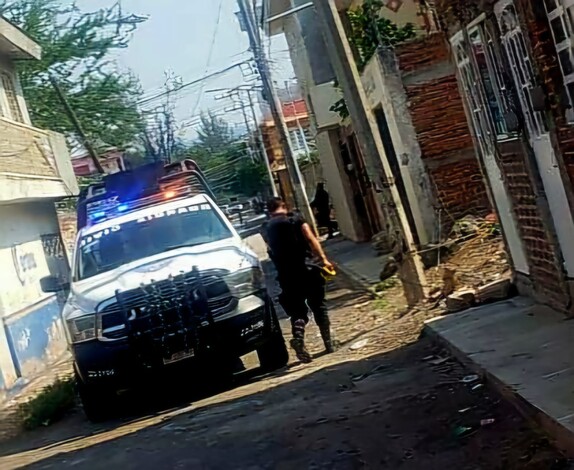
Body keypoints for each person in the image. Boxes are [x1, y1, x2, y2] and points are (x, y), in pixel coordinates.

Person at [263, 197, 337, 363]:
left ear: (269, 211)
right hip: (307, 269)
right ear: (284, 206)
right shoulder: (296, 220)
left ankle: (298, 337)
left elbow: (271, 250)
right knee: (318, 305)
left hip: (286, 275)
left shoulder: (266, 228)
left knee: (297, 312)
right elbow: (311, 239)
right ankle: (329, 342)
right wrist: (323, 259)